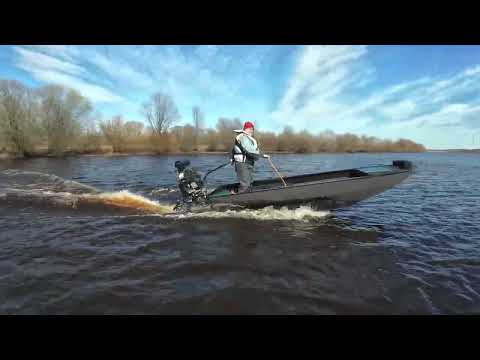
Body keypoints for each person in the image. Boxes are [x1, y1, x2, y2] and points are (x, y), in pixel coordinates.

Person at [231, 121, 270, 193]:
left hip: (248, 163)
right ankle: (239, 198)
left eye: (252, 129)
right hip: (242, 163)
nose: (251, 130)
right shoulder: (242, 137)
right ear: (245, 129)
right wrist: (261, 155)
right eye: (249, 128)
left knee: (250, 182)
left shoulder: (248, 138)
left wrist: (263, 155)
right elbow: (249, 149)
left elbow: (254, 149)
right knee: (245, 184)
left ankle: (248, 195)